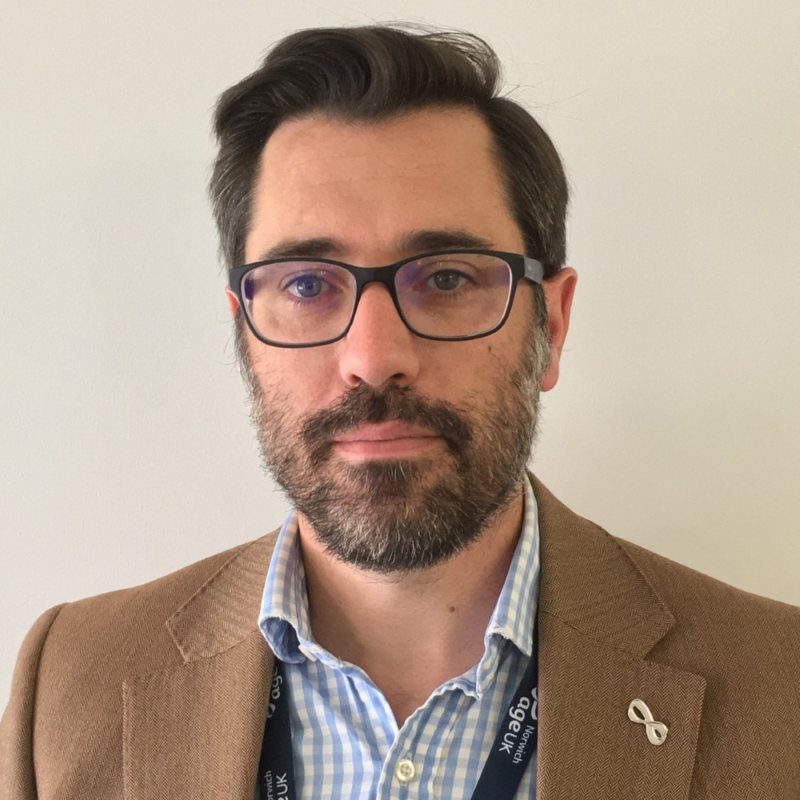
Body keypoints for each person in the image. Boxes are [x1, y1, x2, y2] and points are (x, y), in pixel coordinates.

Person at [1, 23, 799, 800]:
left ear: (551, 326)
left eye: (447, 278)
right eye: (307, 284)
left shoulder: (780, 686)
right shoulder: (71, 684)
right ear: (244, 334)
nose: (374, 356)